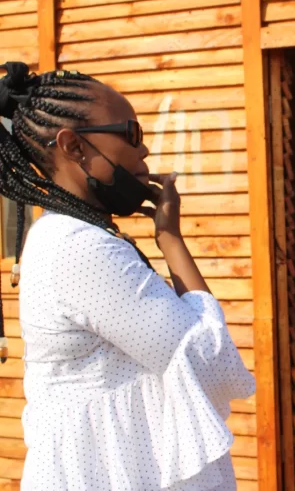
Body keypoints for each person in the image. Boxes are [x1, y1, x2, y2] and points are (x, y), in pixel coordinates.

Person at [0, 62, 255, 490]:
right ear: (73, 146)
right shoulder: (77, 248)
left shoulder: (78, 235)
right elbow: (211, 365)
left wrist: (169, 235)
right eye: (131, 134)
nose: (144, 152)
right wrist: (172, 241)